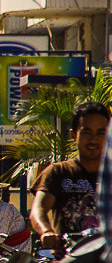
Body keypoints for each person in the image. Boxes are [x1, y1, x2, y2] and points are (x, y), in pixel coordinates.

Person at [30, 101, 110, 252]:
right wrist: (46, 232)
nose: (94, 139)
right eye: (86, 132)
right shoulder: (58, 172)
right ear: (73, 135)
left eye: (101, 133)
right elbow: (38, 210)